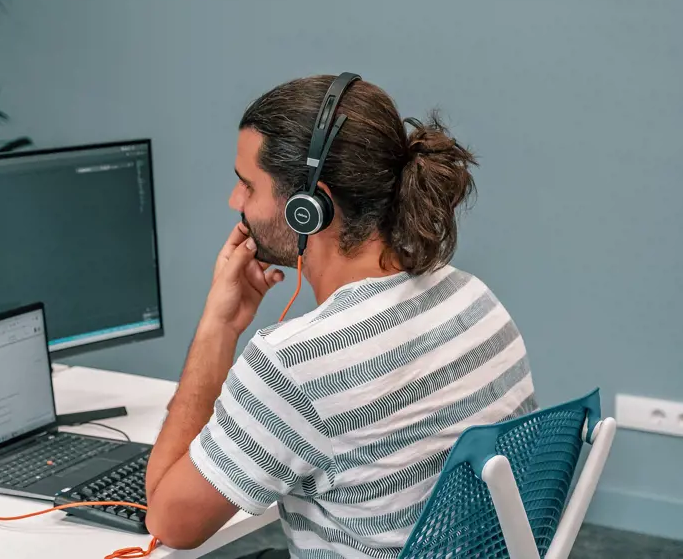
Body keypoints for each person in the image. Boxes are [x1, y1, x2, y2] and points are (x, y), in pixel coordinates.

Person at [143, 73, 538, 558]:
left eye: (248, 185)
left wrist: (218, 327)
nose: (235, 201)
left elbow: (168, 520)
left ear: (309, 207)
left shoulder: (293, 366)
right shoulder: (473, 297)